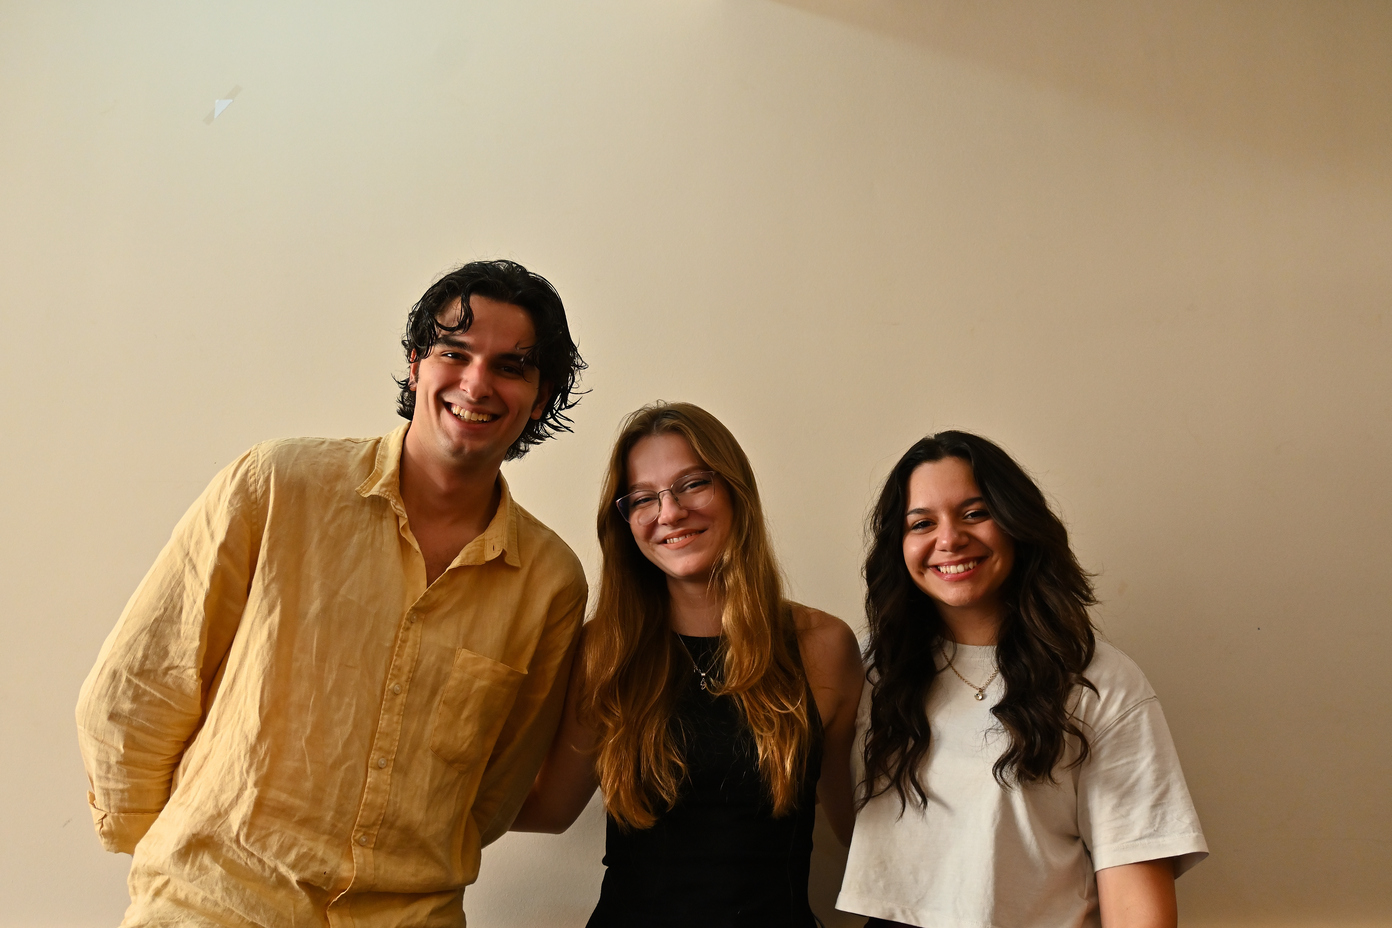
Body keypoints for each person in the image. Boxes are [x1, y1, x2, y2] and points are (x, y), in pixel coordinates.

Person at [75, 259, 589, 927]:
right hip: (215, 908)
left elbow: (491, 792)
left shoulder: (549, 582)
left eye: (510, 366)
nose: (476, 383)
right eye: (454, 353)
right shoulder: (278, 487)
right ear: (415, 365)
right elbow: (139, 688)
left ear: (541, 397)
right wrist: (185, 874)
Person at [510, 401, 865, 927]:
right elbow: (549, 809)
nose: (670, 512)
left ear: (736, 490)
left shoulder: (823, 646)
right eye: (642, 498)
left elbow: (861, 828)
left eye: (693, 484)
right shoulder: (604, 649)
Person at [838, 431, 1208, 928]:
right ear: (897, 546)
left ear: (1016, 522)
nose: (949, 539)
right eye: (922, 523)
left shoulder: (1097, 680)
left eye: (975, 513)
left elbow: (1136, 900)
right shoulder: (869, 670)